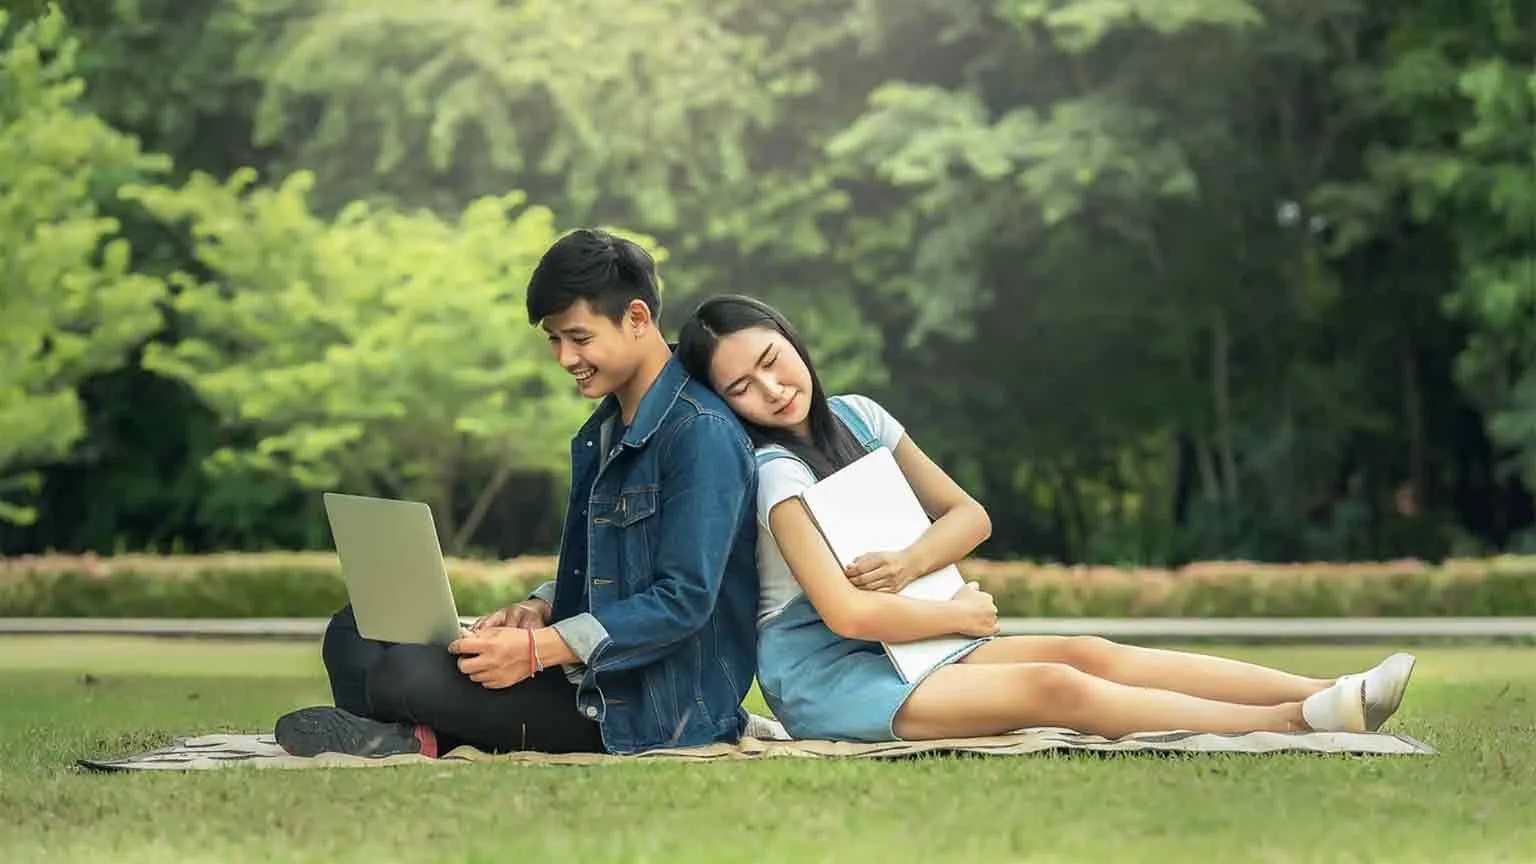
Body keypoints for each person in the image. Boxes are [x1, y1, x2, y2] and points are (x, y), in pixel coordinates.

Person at [674, 294, 1416, 743]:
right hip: (831, 673)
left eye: (774, 359)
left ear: (792, 339)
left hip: (911, 628)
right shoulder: (774, 471)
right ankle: (1298, 723)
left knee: (1085, 649)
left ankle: (1328, 688)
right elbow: (843, 614)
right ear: (724, 403)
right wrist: (957, 621)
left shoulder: (862, 418)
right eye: (741, 386)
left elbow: (968, 517)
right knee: (1055, 688)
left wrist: (910, 566)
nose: (772, 388)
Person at [274, 230, 762, 758]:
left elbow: (683, 599)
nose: (563, 357)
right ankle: (415, 735)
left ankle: (412, 733)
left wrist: (536, 651)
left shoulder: (700, 431)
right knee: (355, 630)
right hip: (577, 674)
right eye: (554, 339)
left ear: (638, 318)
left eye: (579, 337)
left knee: (404, 672)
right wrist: (538, 608)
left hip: (648, 705)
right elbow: (607, 569)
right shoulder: (603, 430)